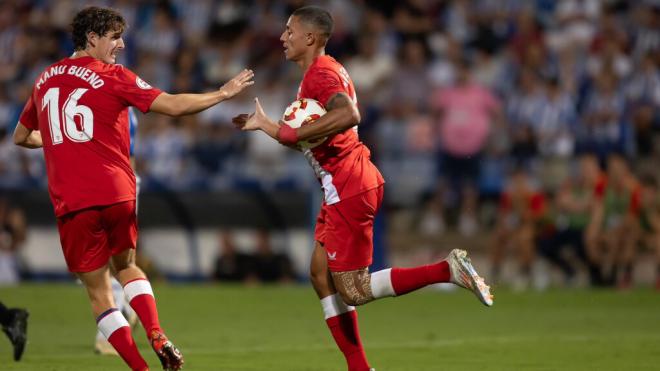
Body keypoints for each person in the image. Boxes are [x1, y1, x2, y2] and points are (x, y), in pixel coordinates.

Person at [233, 6, 492, 371]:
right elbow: (318, 136)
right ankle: (359, 367)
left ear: (310, 37)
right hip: (341, 182)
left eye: (289, 31)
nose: (282, 37)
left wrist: (290, 131)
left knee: (354, 289)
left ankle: (447, 270)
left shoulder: (321, 75)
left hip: (349, 183)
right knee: (320, 276)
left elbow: (350, 115)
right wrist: (269, 126)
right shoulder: (321, 72)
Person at [12, 6, 253, 370]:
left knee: (98, 294)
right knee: (127, 267)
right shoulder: (112, 76)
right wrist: (221, 93)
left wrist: (62, 142)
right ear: (92, 38)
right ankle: (155, 330)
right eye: (114, 37)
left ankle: (140, 367)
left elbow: (20, 136)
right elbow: (171, 106)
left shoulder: (44, 78)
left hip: (72, 201)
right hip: (116, 192)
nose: (122, 45)